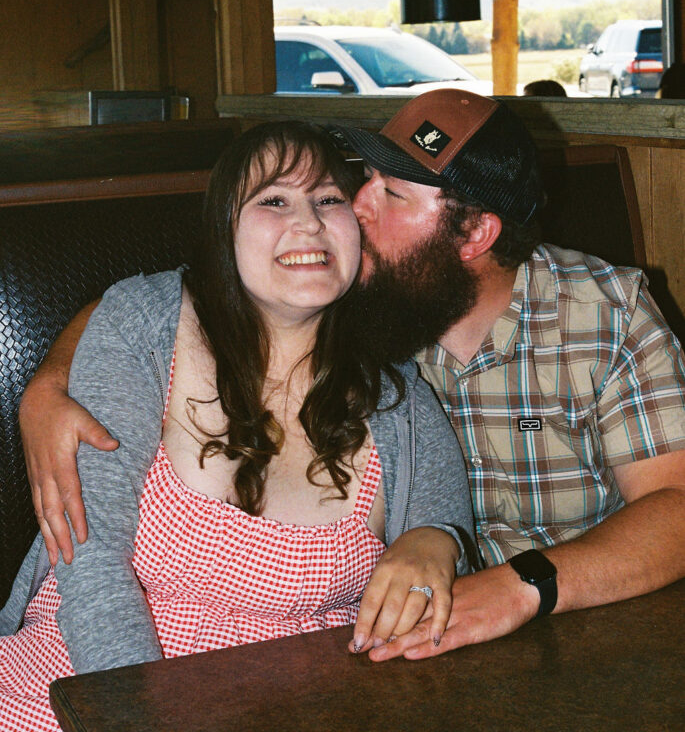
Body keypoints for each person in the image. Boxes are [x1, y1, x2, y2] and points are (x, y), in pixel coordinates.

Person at [18, 92, 685, 661]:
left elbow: (676, 508)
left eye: (391, 194)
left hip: (572, 626)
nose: (357, 207)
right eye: (361, 180)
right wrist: (47, 385)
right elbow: (169, 304)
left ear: (476, 234)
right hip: (407, 650)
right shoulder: (360, 294)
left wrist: (518, 583)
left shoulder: (601, 316)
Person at [1, 120, 475, 732]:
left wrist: (433, 542)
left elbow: (445, 532)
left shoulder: (398, 398)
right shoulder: (146, 326)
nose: (307, 222)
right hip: (86, 693)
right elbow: (89, 563)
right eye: (273, 200)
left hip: (294, 723)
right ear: (225, 230)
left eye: (328, 200)